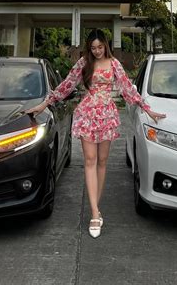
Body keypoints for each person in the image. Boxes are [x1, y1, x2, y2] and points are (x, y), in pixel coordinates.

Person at [26, 29, 166, 238]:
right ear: (89, 48)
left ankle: (96, 208)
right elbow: (66, 85)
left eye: (100, 47)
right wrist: (44, 104)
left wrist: (147, 109)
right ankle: (93, 213)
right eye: (93, 48)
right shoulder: (84, 63)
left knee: (102, 162)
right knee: (90, 160)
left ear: (106, 46)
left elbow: (128, 89)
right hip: (87, 114)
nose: (97, 51)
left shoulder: (114, 64)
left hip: (107, 115)